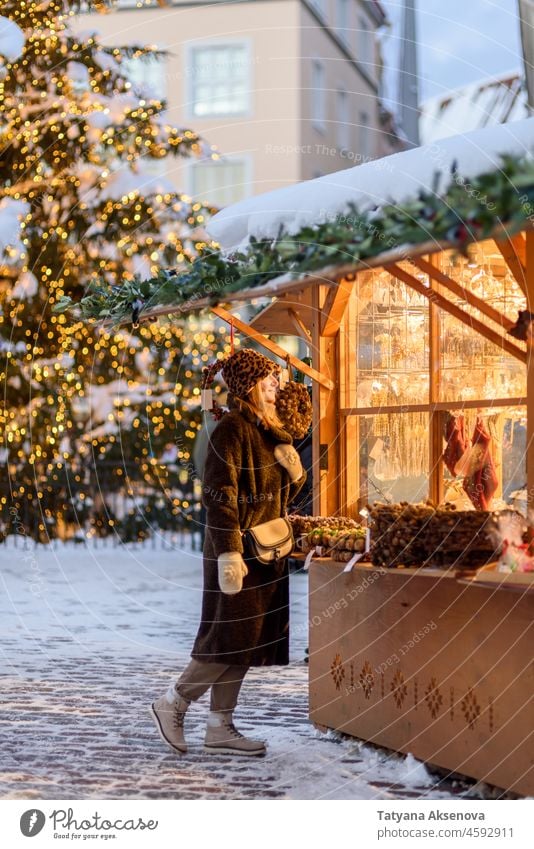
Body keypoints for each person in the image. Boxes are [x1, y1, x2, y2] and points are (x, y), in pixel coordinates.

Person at [150, 348, 307, 756]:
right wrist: (229, 554)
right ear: (250, 386)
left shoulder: (270, 431)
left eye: (275, 377)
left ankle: (221, 726)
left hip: (266, 551)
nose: (276, 384)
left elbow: (276, 499)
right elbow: (219, 497)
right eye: (269, 378)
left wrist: (294, 475)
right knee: (225, 638)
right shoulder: (232, 429)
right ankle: (173, 703)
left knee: (247, 640)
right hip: (236, 552)